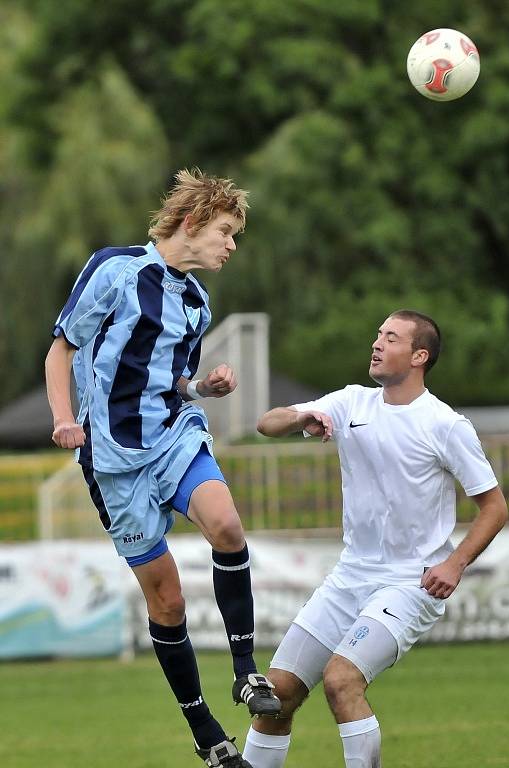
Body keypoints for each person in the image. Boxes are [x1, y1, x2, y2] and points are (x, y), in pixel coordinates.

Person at [45, 168, 280, 768]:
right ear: (192, 222)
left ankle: (247, 672)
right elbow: (62, 347)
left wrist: (202, 386)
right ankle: (205, 730)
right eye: (226, 232)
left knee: (227, 527)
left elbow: (164, 376)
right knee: (168, 602)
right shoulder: (116, 269)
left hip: (173, 435)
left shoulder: (197, 303)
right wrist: (64, 417)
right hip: (113, 462)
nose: (231, 245)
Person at [242, 309, 508, 768]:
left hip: (409, 583)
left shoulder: (445, 424)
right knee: (276, 694)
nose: (377, 343)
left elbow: (495, 507)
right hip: (350, 575)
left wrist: (454, 564)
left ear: (419, 355)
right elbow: (267, 423)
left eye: (391, 337)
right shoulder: (351, 402)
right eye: (377, 335)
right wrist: (301, 417)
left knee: (341, 680)